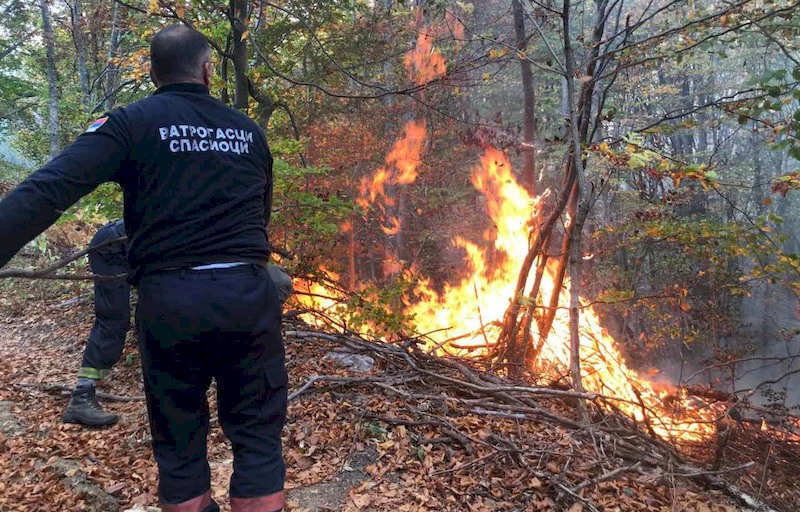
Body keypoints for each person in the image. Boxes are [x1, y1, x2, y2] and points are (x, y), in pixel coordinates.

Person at [0, 25, 288, 512]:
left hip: (171, 302)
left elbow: (49, 189)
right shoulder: (250, 132)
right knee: (259, 442)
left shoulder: (131, 122)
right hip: (247, 295)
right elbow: (258, 223)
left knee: (179, 449)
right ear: (207, 70)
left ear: (153, 73)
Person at [63, 220, 294, 428]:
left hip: (148, 248)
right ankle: (82, 396)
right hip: (114, 247)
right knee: (114, 321)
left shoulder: (238, 260)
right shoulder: (233, 265)